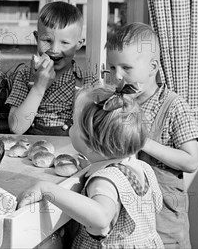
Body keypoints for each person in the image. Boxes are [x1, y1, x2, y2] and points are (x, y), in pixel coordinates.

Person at [17, 86, 164, 248]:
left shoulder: (103, 181)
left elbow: (100, 218)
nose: (68, 127)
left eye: (73, 123)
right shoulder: (143, 168)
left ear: (92, 145)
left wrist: (46, 189)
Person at [106, 23, 198, 249]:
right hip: (127, 220)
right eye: (112, 68)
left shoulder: (174, 106)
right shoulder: (116, 104)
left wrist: (143, 142)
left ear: (153, 67)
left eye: (126, 68)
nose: (117, 76)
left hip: (164, 222)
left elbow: (190, 161)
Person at [6, 1, 98, 136]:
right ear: (37, 38)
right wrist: (38, 87)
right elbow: (16, 127)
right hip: (32, 151)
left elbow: (95, 130)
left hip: (70, 151)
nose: (54, 50)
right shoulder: (26, 75)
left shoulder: (87, 81)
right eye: (47, 41)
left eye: (65, 43)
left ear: (78, 44)